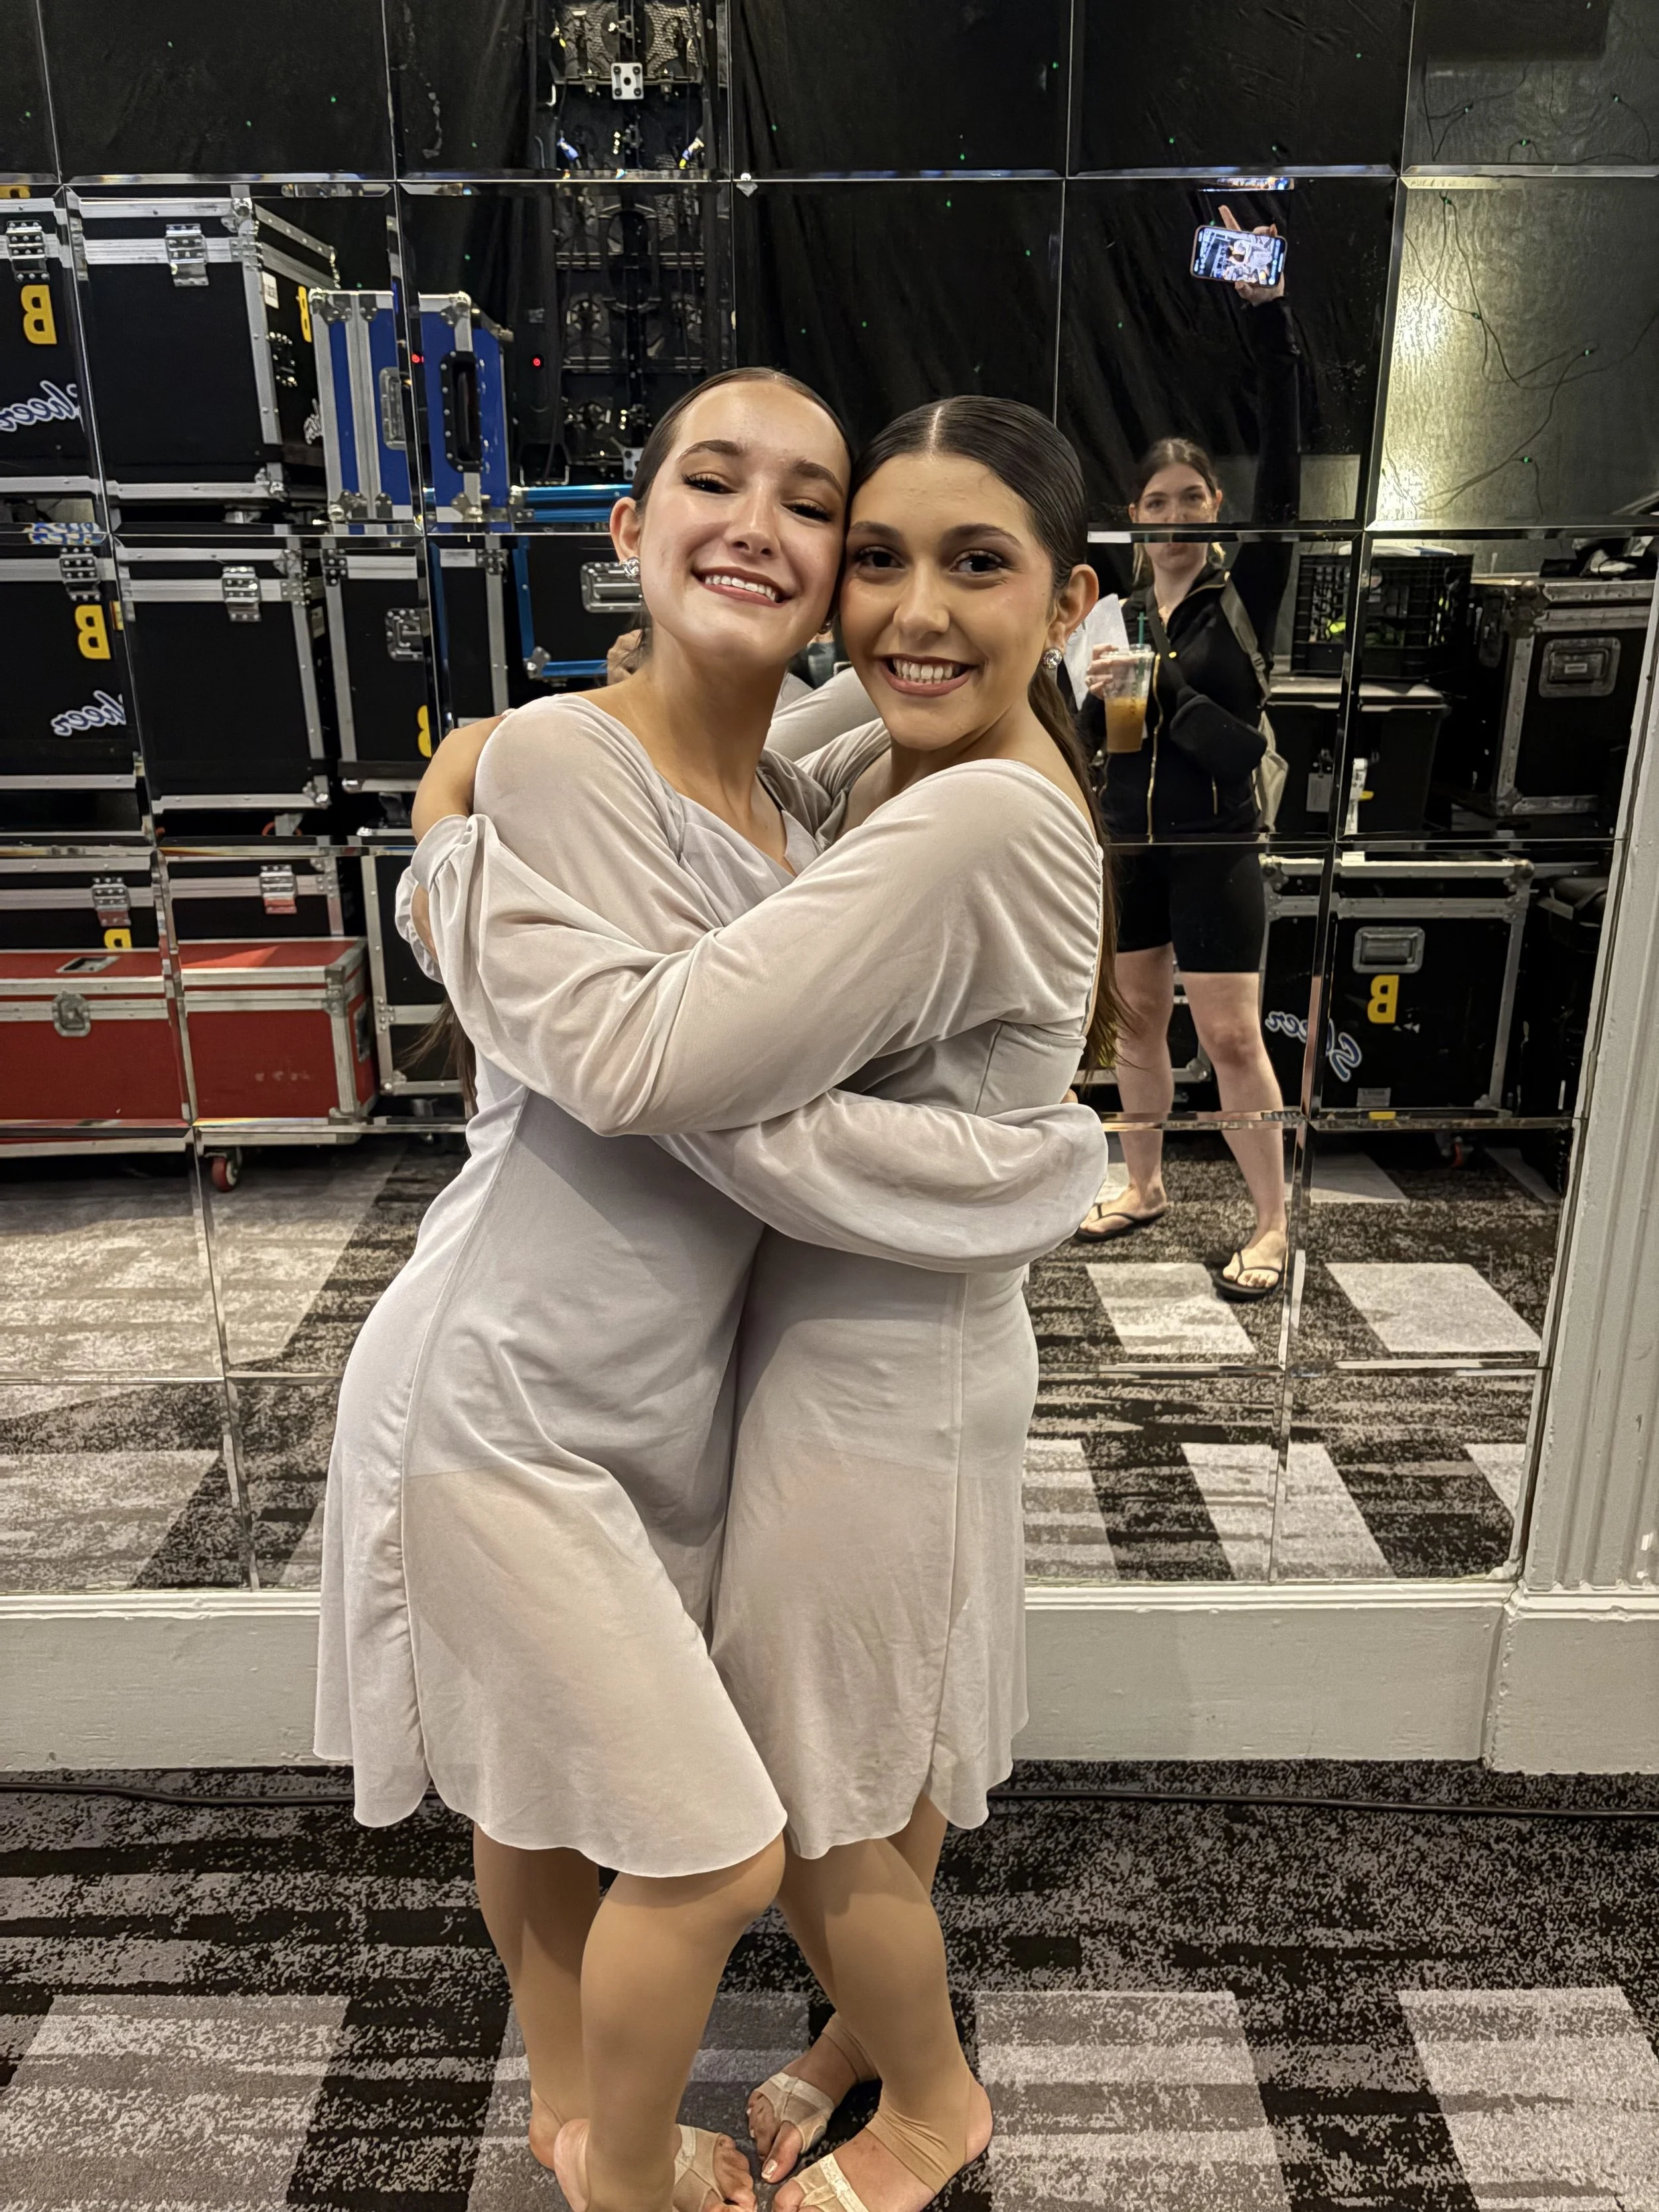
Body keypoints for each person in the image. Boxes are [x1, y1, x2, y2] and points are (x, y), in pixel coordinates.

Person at [319, 367, 1108, 2212]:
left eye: (810, 503)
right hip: (535, 1362)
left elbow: (678, 1048)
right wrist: (462, 826)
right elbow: (639, 1054)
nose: (901, 604)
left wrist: (1027, 1163)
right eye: (715, 482)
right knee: (616, 1779)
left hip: (769, 1365)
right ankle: (607, 2128)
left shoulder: (889, 806)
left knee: (760, 1773)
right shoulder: (684, 766)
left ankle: (805, 2094)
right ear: (627, 520)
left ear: (1066, 598)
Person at [1078, 204, 1301, 1301]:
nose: (1171, 517)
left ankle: (1271, 1222)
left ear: (1215, 510)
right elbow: (1094, 740)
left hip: (1217, 843)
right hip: (1135, 846)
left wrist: (1273, 326)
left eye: (1190, 501)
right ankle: (1145, 1183)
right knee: (1134, 1028)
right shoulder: (1112, 612)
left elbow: (1230, 741)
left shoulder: (1239, 597)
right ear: (1133, 515)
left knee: (1229, 1036)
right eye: (1154, 504)